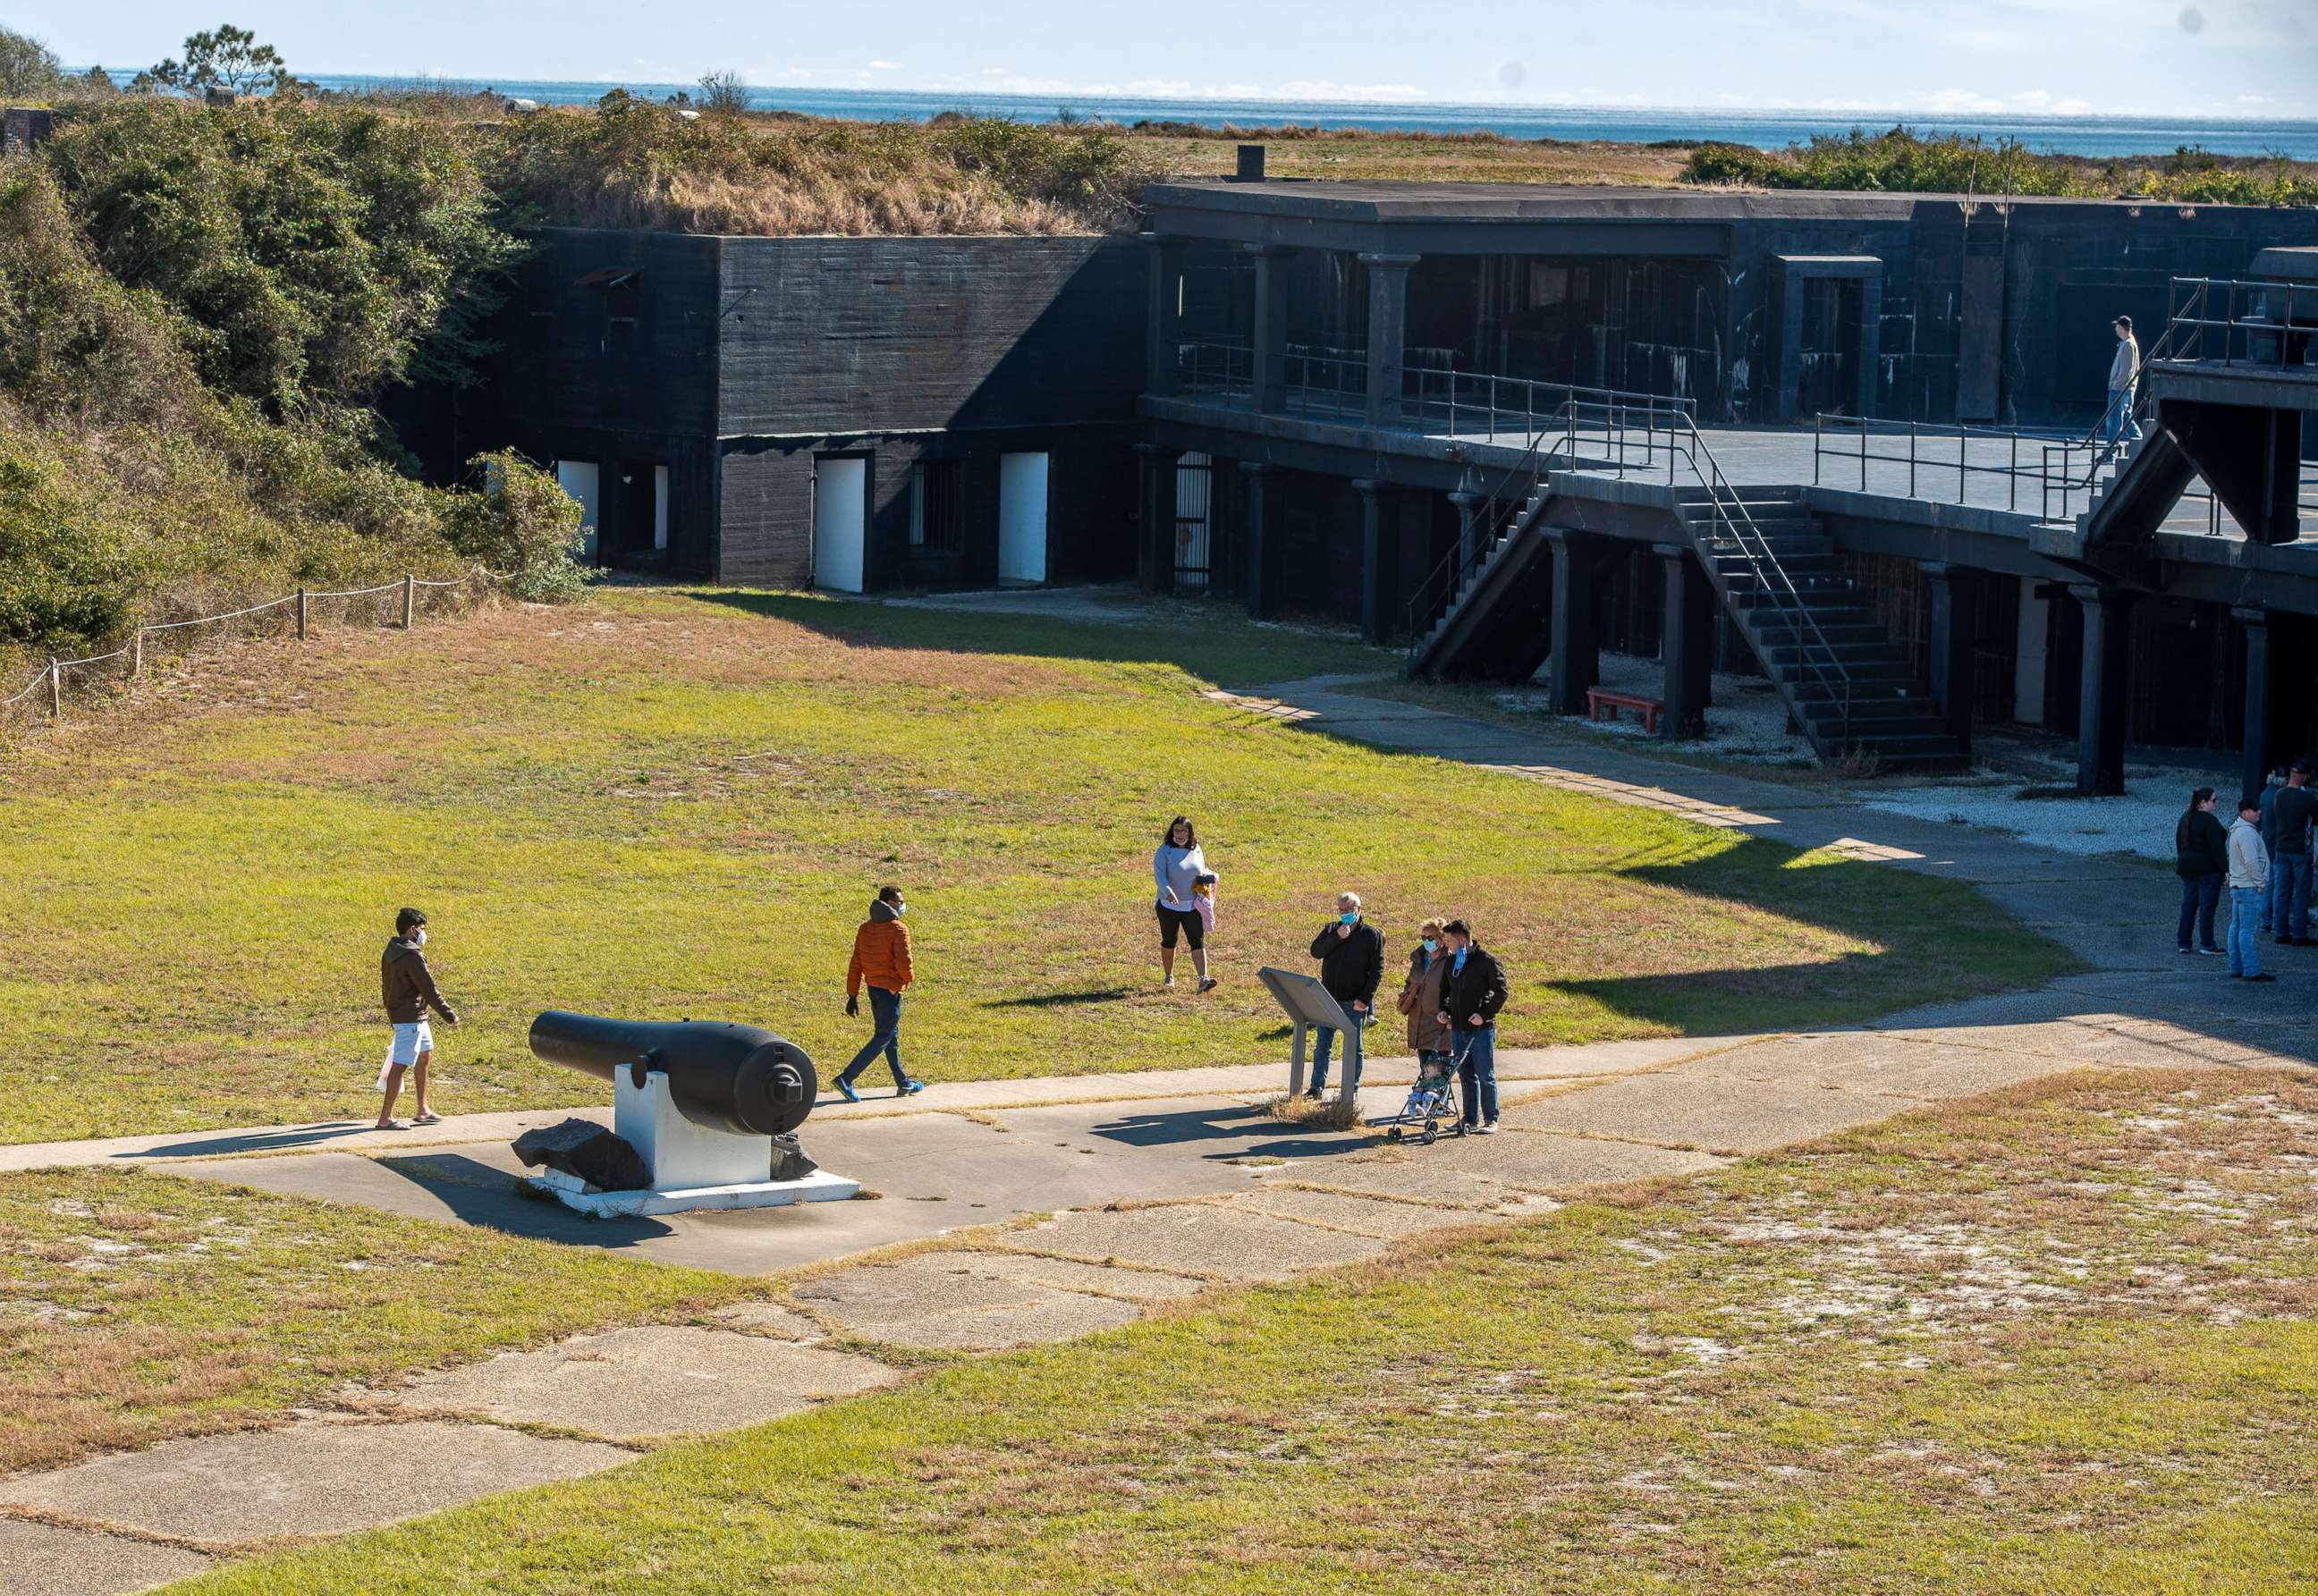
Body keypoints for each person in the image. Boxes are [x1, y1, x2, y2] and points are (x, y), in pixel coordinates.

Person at [839, 885, 926, 1102]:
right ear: (888, 903)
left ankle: (903, 1083)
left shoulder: (865, 929)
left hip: (874, 990)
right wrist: (908, 979)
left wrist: (853, 994)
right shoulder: (898, 929)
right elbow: (905, 963)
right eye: (898, 902)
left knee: (891, 1037)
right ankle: (846, 1078)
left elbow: (856, 963)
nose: (902, 905)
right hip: (890, 991)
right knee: (882, 1038)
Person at [377, 907, 457, 1130]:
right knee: (400, 1064)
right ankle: (385, 1118)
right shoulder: (411, 955)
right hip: (410, 1017)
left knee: (425, 1055)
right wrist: (449, 1015)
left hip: (411, 1015)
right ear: (412, 930)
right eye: (422, 929)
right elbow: (429, 988)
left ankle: (423, 1109)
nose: (424, 934)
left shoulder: (392, 949)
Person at [1305, 891, 1383, 1100]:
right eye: (1341, 910)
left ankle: (1351, 1089)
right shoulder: (1331, 929)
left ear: (1359, 909)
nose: (1345, 914)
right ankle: (1316, 1088)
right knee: (1323, 1045)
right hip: (1328, 998)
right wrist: (1338, 937)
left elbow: (1377, 971)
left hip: (1354, 1002)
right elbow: (1316, 951)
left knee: (1354, 1048)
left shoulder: (1370, 935)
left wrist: (1364, 1000)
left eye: (1349, 910)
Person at [1434, 919, 1509, 1134]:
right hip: (1457, 1028)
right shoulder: (1451, 962)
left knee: (1485, 1075)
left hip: (1480, 1030)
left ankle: (1491, 1118)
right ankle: (1469, 1118)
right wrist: (1444, 1011)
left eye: (1449, 940)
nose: (1447, 945)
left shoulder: (1486, 961)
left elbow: (1501, 992)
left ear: (1462, 939)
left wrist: (1484, 1014)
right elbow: (1444, 992)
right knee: (1466, 1076)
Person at [1153, 815, 1217, 992]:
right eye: (1176, 830)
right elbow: (1159, 876)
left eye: (1183, 831)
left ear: (1189, 832)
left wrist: (1209, 880)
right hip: (1168, 906)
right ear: (1171, 832)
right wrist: (1168, 892)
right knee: (1169, 940)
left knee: (1197, 941)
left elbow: (1201, 869)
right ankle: (1169, 976)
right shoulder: (1164, 851)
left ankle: (1203, 979)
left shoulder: (1196, 849)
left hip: (1192, 905)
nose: (1180, 834)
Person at [1396, 916, 1452, 1090]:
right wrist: (1407, 993)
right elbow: (1410, 981)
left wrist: (1449, 1014)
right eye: (1423, 938)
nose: (1426, 941)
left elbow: (1454, 991)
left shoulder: (1450, 961)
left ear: (1442, 939)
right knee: (1425, 1068)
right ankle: (1425, 1101)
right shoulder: (1420, 958)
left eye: (1430, 938)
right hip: (1419, 1021)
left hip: (1439, 1023)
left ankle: (1438, 1103)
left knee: (1439, 1068)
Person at [2174, 787, 2228, 956]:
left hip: (2187, 867)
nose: (2216, 803)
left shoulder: (2185, 818)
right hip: (2207, 869)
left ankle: (2184, 942)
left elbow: (2179, 843)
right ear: (2203, 803)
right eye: (2214, 800)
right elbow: (2217, 849)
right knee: (2207, 907)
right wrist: (2225, 870)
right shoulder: (2210, 821)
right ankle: (2207, 944)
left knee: (2189, 905)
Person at [2228, 797, 2276, 983]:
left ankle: (2236, 966)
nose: (2259, 813)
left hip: (2238, 885)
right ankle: (2251, 970)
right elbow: (2251, 861)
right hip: (2249, 886)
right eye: (2256, 810)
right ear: (2245, 813)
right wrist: (2260, 882)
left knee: (2236, 927)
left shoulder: (2237, 831)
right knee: (2246, 930)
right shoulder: (2247, 833)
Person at [2270, 761, 2318, 947]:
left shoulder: (2279, 795)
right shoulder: (2307, 799)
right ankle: (2299, 933)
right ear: (2305, 776)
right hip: (2300, 850)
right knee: (2301, 893)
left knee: (2281, 891)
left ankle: (2280, 931)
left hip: (2281, 848)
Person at [2102, 315, 2143, 451]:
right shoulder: (2128, 343)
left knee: (2114, 421)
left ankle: (2110, 453)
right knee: (2126, 420)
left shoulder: (2128, 345)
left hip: (2120, 390)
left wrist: (2116, 385)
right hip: (2126, 389)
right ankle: (2142, 444)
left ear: (2121, 327)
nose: (2115, 329)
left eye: (2117, 326)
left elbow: (2126, 370)